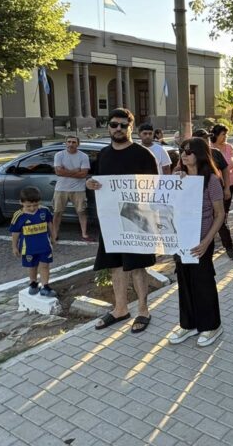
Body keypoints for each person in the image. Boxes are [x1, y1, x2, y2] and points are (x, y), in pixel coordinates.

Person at [86, 108, 160, 334]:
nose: (118, 128)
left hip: (136, 219)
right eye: (113, 124)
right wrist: (90, 184)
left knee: (137, 266)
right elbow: (95, 182)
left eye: (123, 125)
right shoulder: (103, 155)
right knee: (115, 265)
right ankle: (120, 309)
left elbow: (156, 188)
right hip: (111, 221)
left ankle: (143, 311)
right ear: (108, 127)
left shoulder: (143, 154)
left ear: (130, 127)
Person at [167, 137, 227, 347]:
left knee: (203, 282)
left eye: (189, 151)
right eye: (182, 151)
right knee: (184, 281)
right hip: (181, 239)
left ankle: (212, 326)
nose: (184, 155)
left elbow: (220, 214)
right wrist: (175, 182)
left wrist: (207, 241)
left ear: (200, 154)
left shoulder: (211, 180)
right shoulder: (178, 178)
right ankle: (189, 323)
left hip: (201, 241)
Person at [9, 186, 56, 297]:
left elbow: (50, 224)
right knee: (32, 266)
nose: (32, 208)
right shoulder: (18, 216)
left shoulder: (44, 211)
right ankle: (33, 283)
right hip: (28, 248)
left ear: (39, 202)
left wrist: (53, 237)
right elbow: (15, 233)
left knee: (45, 265)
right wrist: (14, 247)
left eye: (35, 205)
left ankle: (45, 286)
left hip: (44, 246)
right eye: (28, 206)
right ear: (21, 202)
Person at [52, 136, 92, 242]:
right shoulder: (59, 155)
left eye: (74, 142)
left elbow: (83, 174)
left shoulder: (83, 156)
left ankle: (84, 234)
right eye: (69, 142)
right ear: (65, 143)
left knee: (81, 212)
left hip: (79, 189)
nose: (71, 144)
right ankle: (54, 234)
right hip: (61, 189)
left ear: (78, 144)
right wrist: (75, 171)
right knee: (57, 212)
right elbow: (58, 172)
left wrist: (65, 172)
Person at [210, 124, 233, 259]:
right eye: (223, 134)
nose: (225, 137)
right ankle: (228, 247)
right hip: (215, 187)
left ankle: (227, 245)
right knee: (219, 217)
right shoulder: (210, 149)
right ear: (215, 135)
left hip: (229, 185)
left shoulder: (229, 147)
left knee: (223, 216)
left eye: (226, 134)